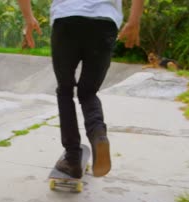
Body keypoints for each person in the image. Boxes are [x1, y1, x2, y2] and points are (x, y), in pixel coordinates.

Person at [18, 0, 144, 178]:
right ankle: (98, 134)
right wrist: (134, 21)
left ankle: (72, 159)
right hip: (104, 23)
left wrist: (29, 18)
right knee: (88, 92)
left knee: (65, 90)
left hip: (67, 20)